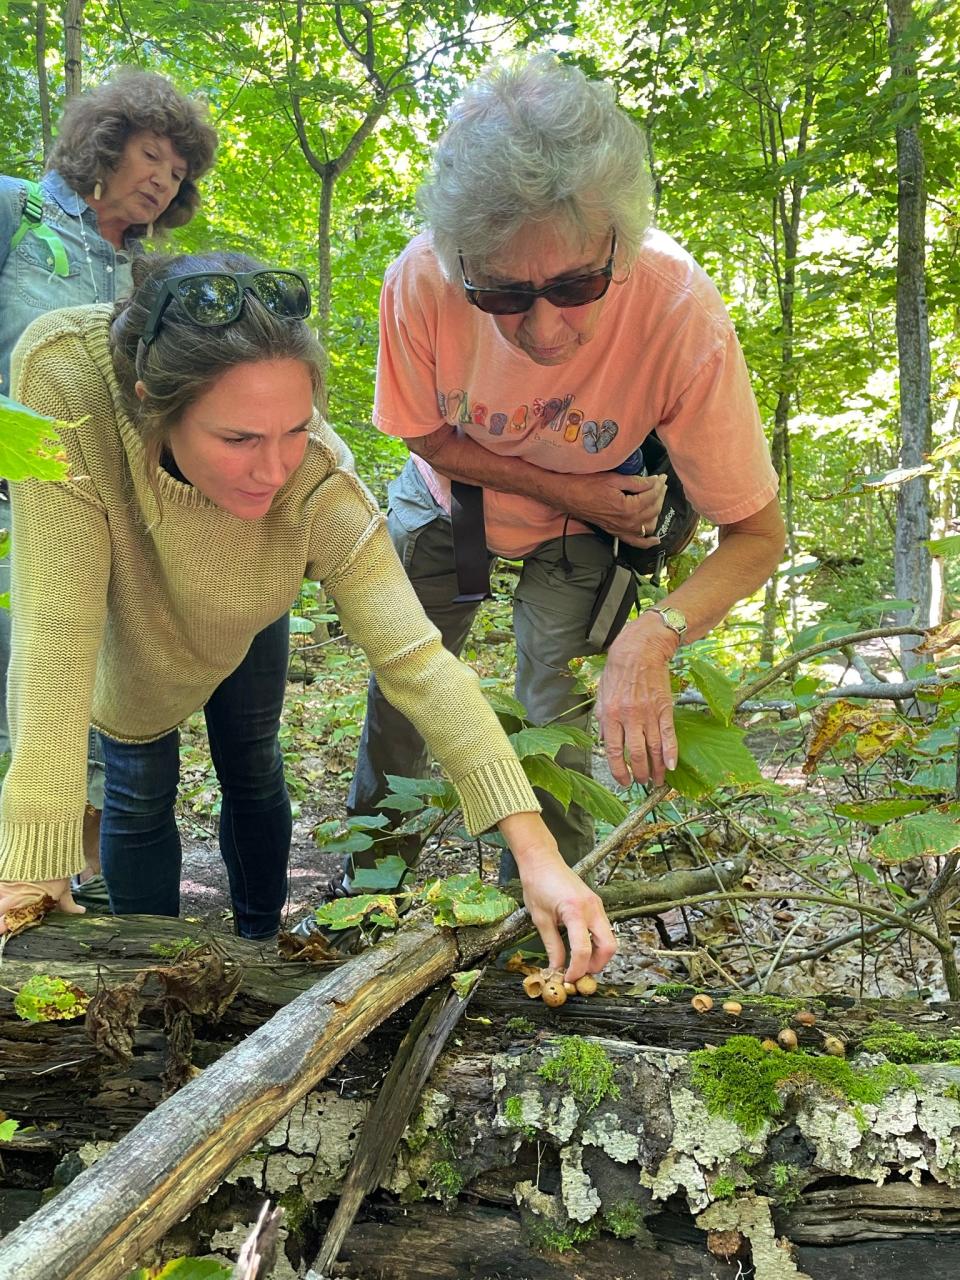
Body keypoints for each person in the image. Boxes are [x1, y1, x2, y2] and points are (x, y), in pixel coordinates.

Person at [0, 251, 616, 981]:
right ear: (149, 404)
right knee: (138, 793)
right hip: (131, 634)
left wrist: (536, 851)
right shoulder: (67, 380)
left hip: (247, 606)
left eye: (295, 428)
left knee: (254, 771)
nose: (274, 468)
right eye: (239, 439)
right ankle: (146, 971)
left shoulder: (317, 483)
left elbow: (418, 660)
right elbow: (54, 632)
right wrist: (30, 859)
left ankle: (258, 951)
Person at [346, 51, 785, 887]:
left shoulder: (678, 309)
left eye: (578, 284)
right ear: (460, 261)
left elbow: (758, 534)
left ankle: (542, 909)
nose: (545, 333)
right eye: (504, 296)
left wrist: (652, 639)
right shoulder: (420, 280)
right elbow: (426, 437)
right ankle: (369, 881)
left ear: (619, 239)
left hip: (590, 533)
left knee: (557, 712)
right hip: (449, 501)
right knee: (403, 692)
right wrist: (570, 485)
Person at [0, 68, 218, 883]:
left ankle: (77, 889)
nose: (164, 179)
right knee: (20, 687)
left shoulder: (144, 276)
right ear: (107, 141)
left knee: (91, 698)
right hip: (12, 500)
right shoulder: (15, 212)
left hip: (108, 513)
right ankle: (19, 877)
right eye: (153, 155)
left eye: (179, 172)